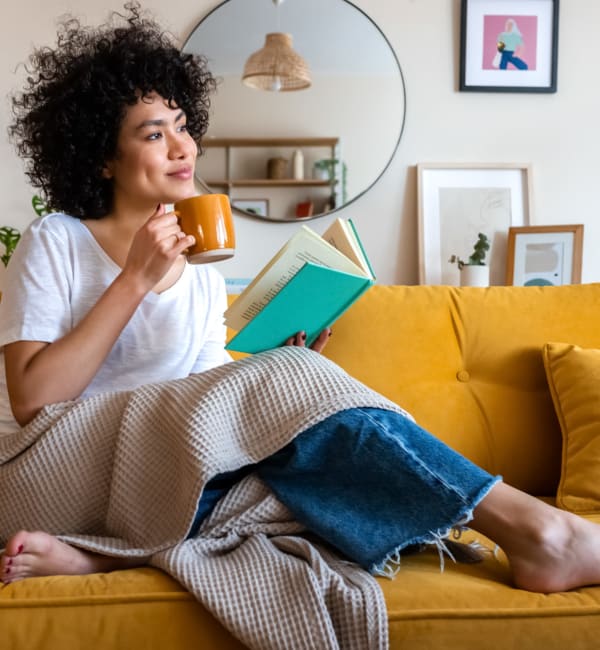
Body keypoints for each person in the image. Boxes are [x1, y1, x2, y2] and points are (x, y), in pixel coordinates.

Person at [1, 3, 600, 597]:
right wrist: (133, 280)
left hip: (152, 477)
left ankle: (103, 557)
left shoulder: (201, 271)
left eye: (183, 125)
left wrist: (283, 371)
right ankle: (543, 533)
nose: (183, 148)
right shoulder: (57, 239)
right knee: (300, 438)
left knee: (304, 473)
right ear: (103, 157)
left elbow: (204, 415)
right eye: (154, 134)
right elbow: (33, 400)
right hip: (52, 470)